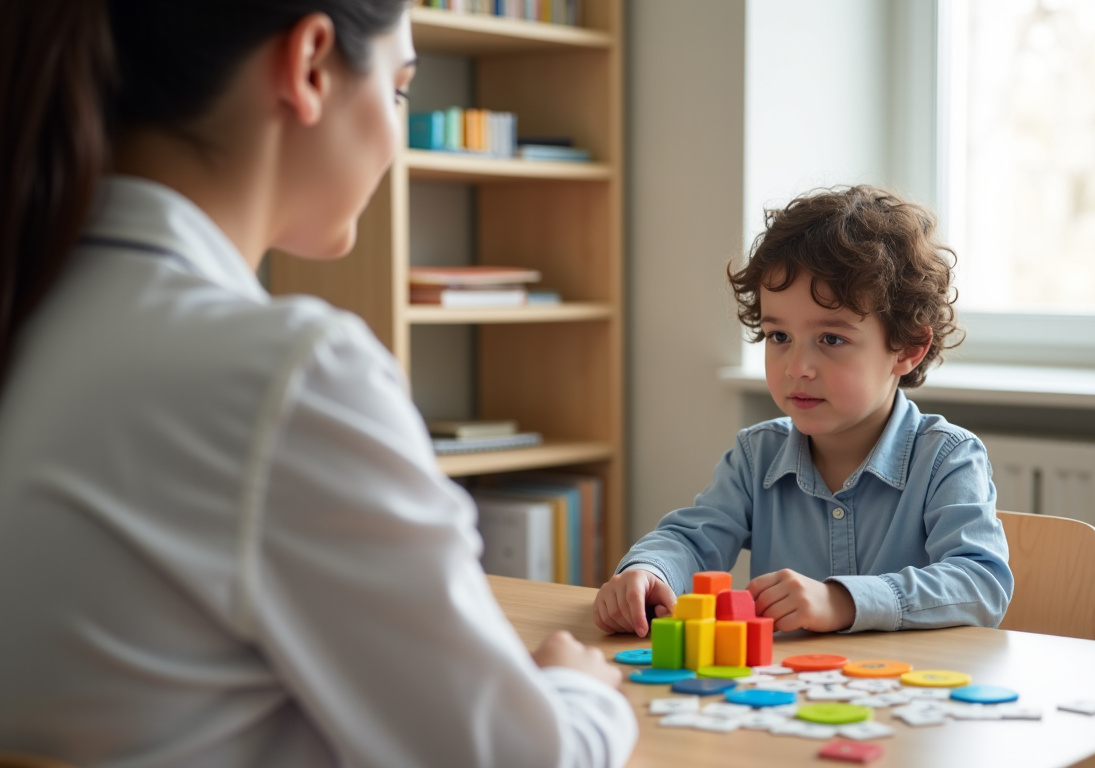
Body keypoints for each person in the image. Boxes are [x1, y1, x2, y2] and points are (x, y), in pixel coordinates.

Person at [0, 2, 635, 766]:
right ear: (309, 66)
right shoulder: (286, 376)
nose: (394, 137)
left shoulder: (41, 312)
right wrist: (581, 692)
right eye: (398, 90)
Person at [593, 185, 1013, 638]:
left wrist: (842, 601)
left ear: (908, 348)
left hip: (903, 692)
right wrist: (648, 571)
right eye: (779, 337)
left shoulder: (947, 458)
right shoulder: (757, 455)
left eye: (831, 339)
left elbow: (981, 583)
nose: (797, 368)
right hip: (786, 698)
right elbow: (690, 540)